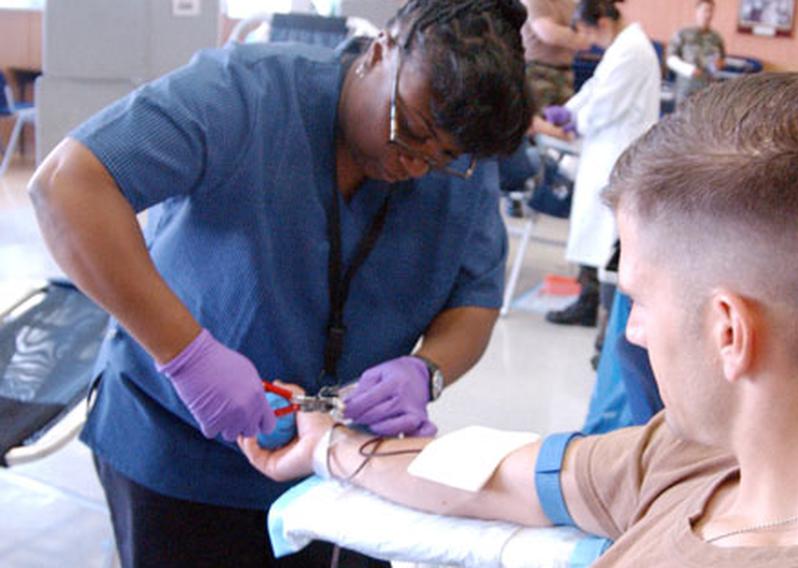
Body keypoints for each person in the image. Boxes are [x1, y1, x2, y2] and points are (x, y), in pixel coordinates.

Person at [241, 72, 798, 565]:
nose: (633, 333)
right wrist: (331, 445)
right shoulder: (700, 457)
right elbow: (500, 475)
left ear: (729, 333)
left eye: (640, 303)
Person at [27, 1, 533, 566]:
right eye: (409, 131)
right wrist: (188, 356)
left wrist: (428, 369)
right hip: (176, 451)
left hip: (335, 464)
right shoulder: (243, 92)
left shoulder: (461, 152)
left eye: (442, 158)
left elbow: (475, 298)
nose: (415, 165)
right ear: (381, 51)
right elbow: (67, 187)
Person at [535, 0, 660, 328]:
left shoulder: (633, 50)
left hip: (617, 153)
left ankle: (598, 312)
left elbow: (605, 107)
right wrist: (570, 111)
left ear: (603, 23)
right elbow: (594, 89)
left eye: (588, 32)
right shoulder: (621, 48)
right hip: (603, 152)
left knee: (606, 239)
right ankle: (589, 301)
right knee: (595, 234)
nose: (588, 40)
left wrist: (574, 123)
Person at [521, 0, 592, 108]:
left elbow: (586, 33)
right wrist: (581, 38)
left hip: (566, 72)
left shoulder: (569, 4)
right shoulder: (534, 2)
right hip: (538, 71)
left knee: (565, 118)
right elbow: (548, 33)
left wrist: (583, 38)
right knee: (540, 117)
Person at [666, 0, 725, 104]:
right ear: (697, 11)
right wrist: (690, 69)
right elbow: (670, 59)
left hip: (708, 87)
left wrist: (719, 64)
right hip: (686, 86)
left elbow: (722, 59)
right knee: (682, 118)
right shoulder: (683, 33)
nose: (708, 14)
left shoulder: (716, 38)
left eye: (711, 11)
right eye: (705, 10)